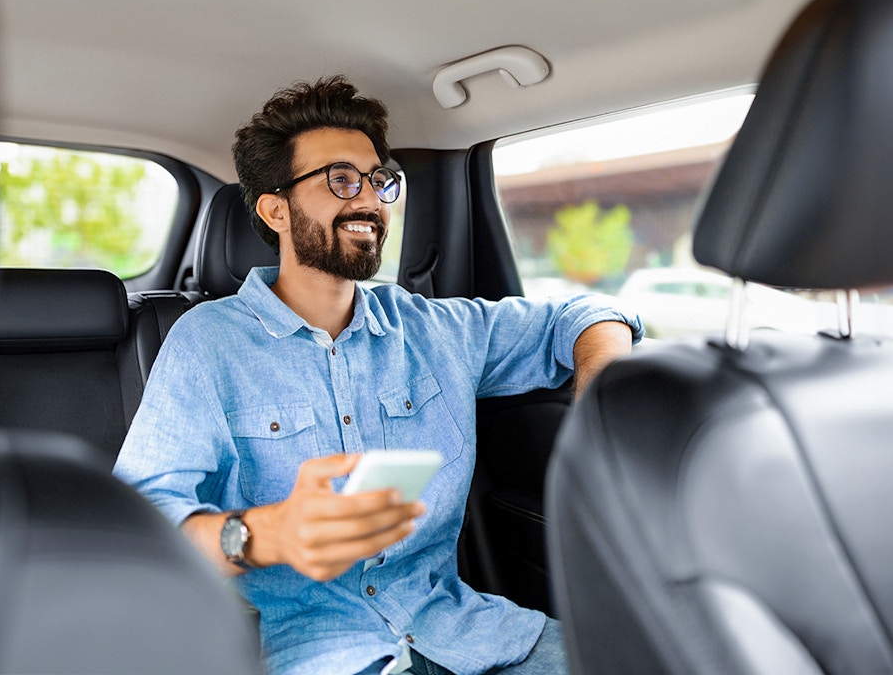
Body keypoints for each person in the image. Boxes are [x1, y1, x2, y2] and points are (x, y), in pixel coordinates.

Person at [114, 75, 643, 675]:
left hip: (475, 636)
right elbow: (139, 523)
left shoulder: (435, 327)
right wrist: (264, 534)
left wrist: (604, 416)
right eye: (340, 179)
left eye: (379, 180)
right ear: (276, 208)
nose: (369, 200)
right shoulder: (209, 343)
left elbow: (589, 315)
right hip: (321, 653)